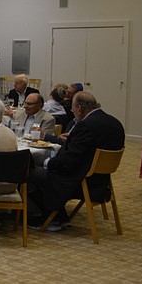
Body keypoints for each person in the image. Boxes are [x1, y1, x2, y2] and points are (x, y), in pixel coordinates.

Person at [29, 92, 125, 230]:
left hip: (81, 181)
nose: (73, 113)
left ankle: (52, 216)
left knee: (28, 171)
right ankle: (59, 216)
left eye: (73, 110)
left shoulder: (85, 126)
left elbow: (67, 163)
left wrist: (46, 163)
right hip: (102, 181)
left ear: (79, 109)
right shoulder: (115, 123)